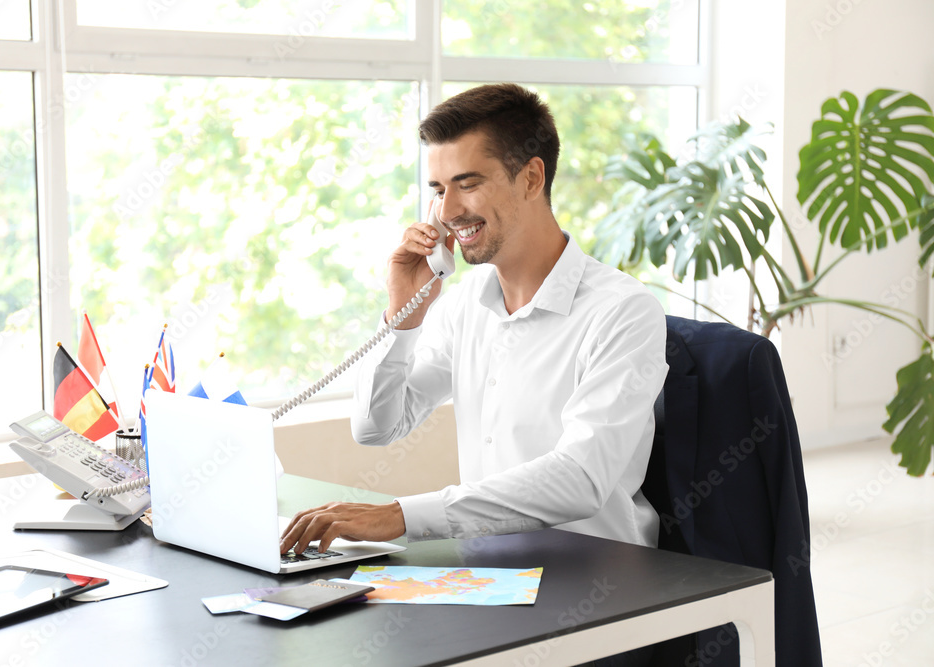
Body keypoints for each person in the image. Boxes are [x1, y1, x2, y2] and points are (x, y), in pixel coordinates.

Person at [280, 82, 667, 561]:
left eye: (468, 184)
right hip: (488, 574)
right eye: (438, 190)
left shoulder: (622, 311)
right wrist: (403, 313)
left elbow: (581, 478)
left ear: (531, 178)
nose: (447, 212)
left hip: (598, 578)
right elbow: (376, 426)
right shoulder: (466, 306)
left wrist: (401, 516)